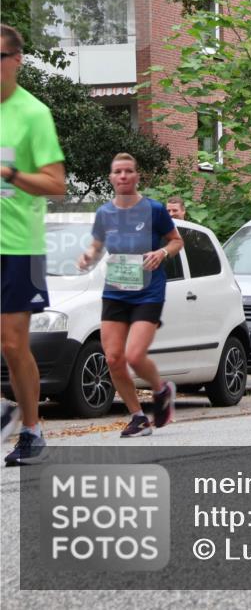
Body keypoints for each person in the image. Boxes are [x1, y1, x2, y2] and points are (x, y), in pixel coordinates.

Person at [77, 153, 183, 437]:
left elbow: (176, 242)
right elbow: (97, 245)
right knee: (112, 358)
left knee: (134, 356)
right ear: (111, 178)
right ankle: (137, 417)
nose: (123, 176)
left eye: (128, 171)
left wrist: (161, 252)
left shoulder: (154, 209)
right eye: (117, 172)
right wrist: (88, 256)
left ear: (136, 176)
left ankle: (161, 391)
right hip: (115, 290)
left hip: (148, 291)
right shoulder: (104, 213)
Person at [1, 24, 67, 465]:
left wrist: (10, 175)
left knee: (10, 342)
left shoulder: (33, 114)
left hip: (18, 246)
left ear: (15, 61)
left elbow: (55, 183)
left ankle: (30, 428)